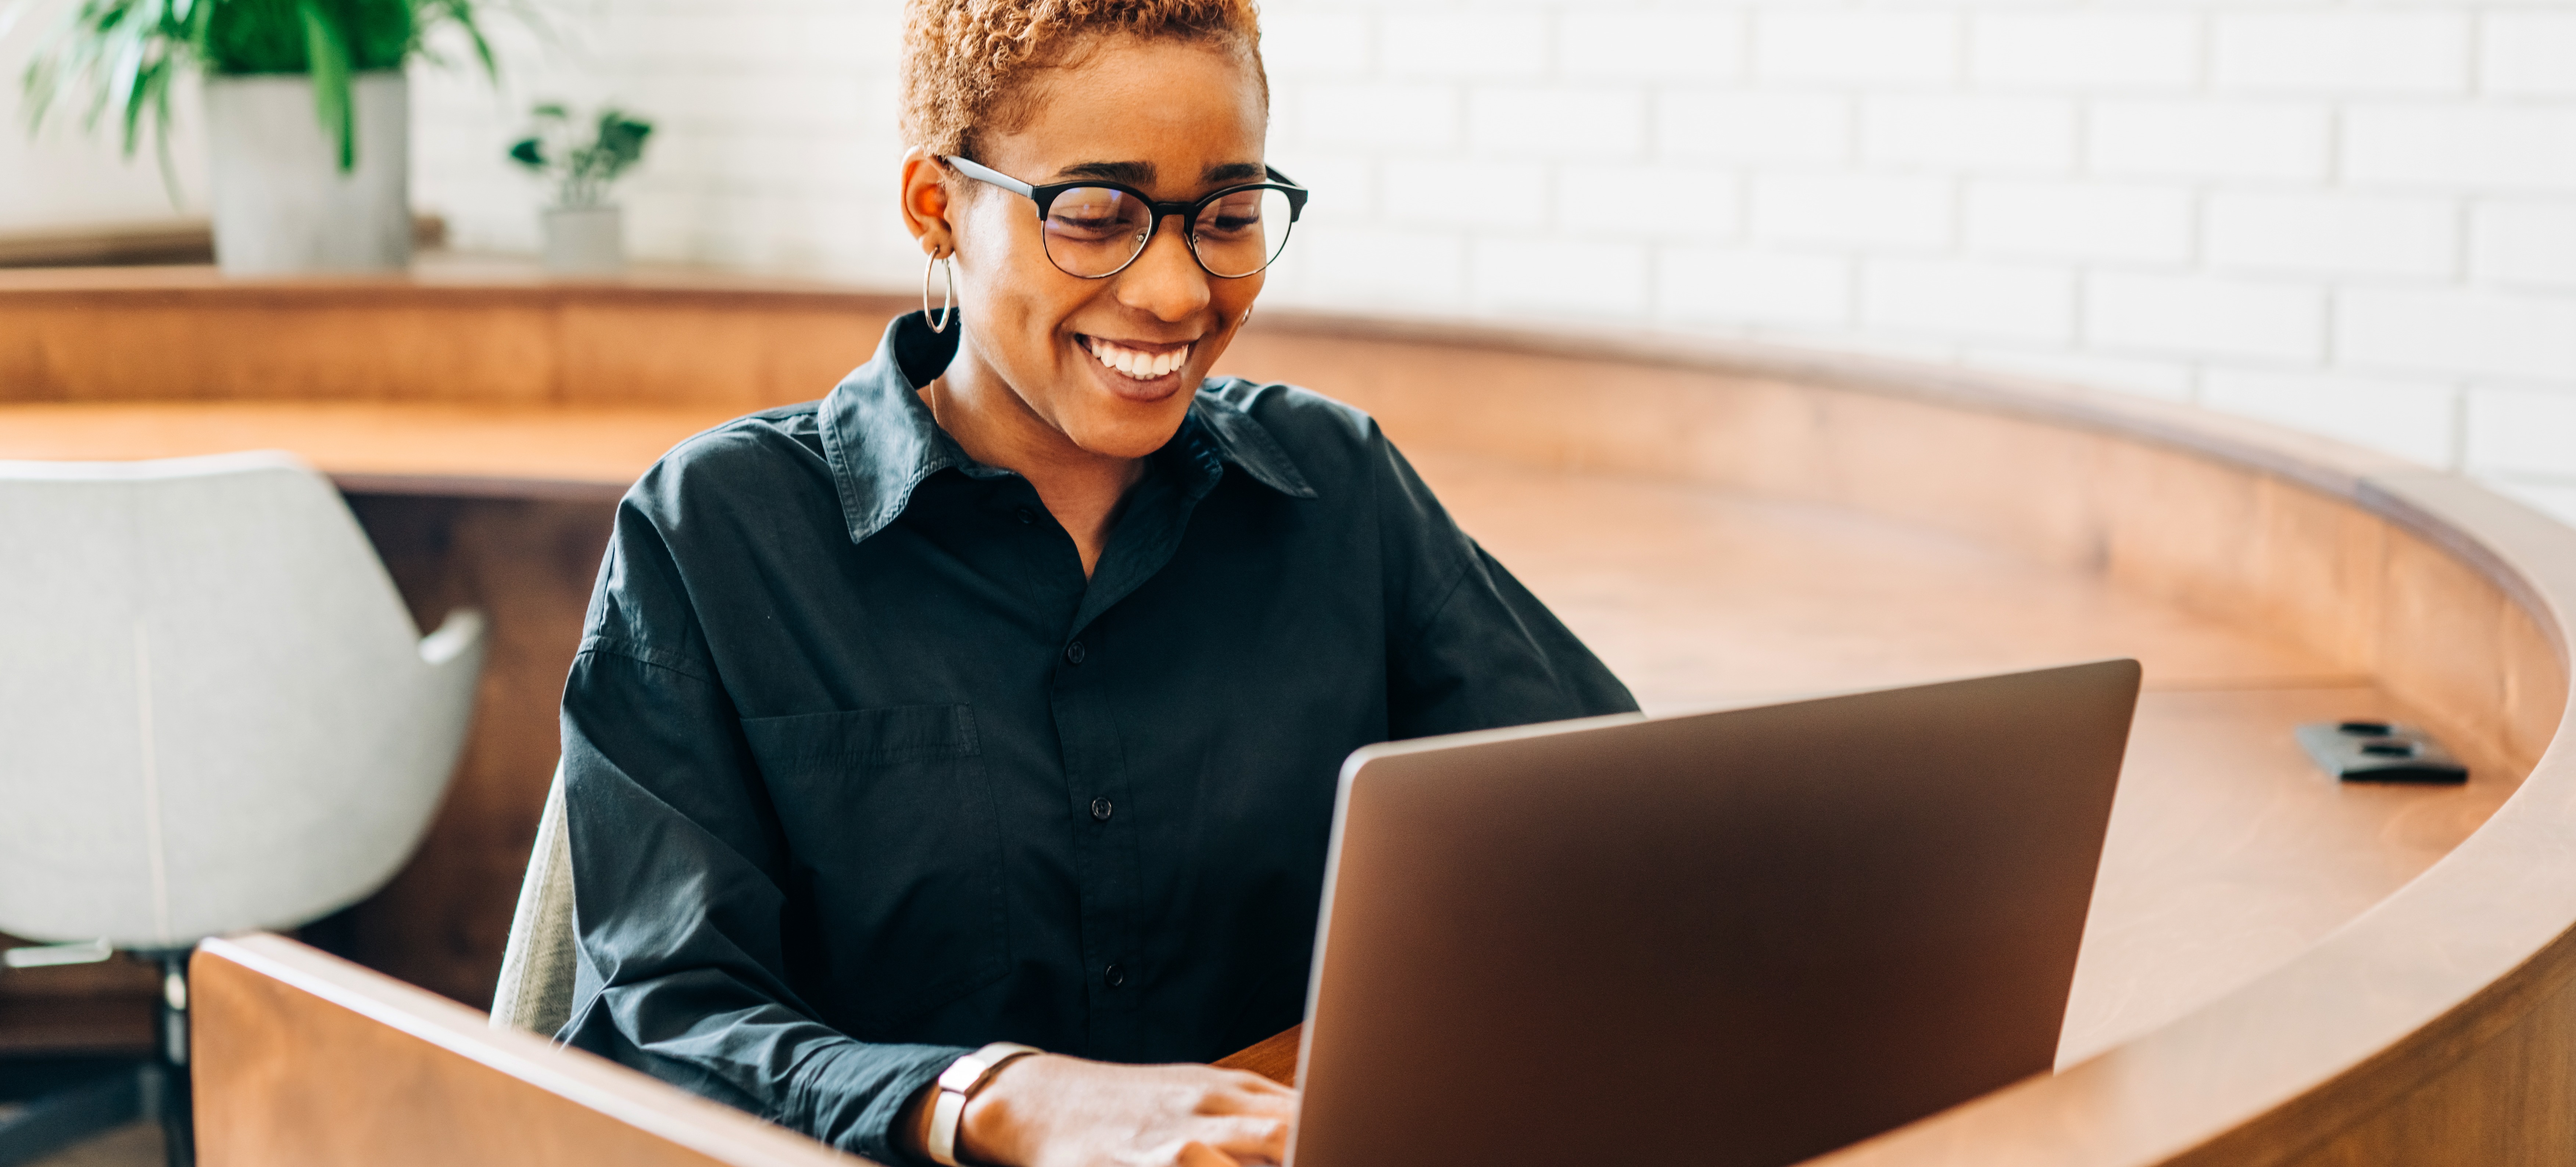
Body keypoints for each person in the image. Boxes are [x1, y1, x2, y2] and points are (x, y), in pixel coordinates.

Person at [553, 1, 1637, 1164]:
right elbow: (663, 1024)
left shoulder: (1339, 489)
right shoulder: (721, 531)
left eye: (1226, 217)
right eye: (1097, 216)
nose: (1176, 294)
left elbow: (1613, 836)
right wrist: (993, 1099)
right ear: (938, 207)